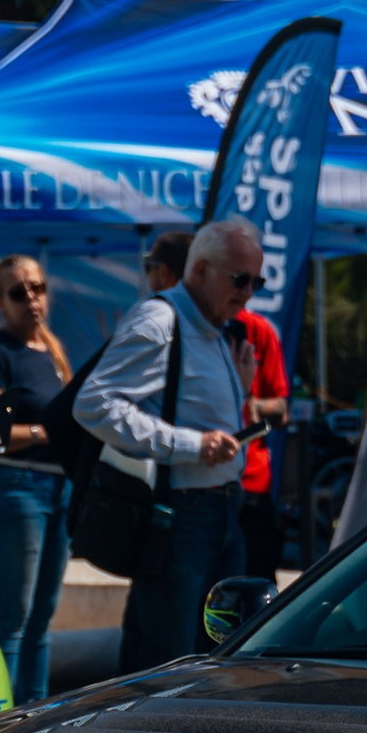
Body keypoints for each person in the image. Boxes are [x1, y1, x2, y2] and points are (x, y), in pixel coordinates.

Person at [81, 217, 264, 672]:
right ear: (199, 270)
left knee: (215, 657)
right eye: (240, 279)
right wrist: (192, 445)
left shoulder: (213, 326)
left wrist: (237, 391)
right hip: (180, 515)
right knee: (169, 663)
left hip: (220, 512)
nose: (248, 292)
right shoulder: (161, 318)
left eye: (256, 281)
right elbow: (95, 404)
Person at [0, 253, 73, 702]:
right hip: (15, 489)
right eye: (17, 291)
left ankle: (37, 715)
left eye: (37, 287)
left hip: (57, 489)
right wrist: (44, 431)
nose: (30, 297)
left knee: (43, 616)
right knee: (13, 616)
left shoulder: (51, 351)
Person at [234, 297, 290, 580]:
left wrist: (255, 406)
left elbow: (282, 409)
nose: (244, 290)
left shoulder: (259, 329)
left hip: (251, 485)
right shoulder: (183, 326)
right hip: (195, 483)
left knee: (256, 579)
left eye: (251, 283)